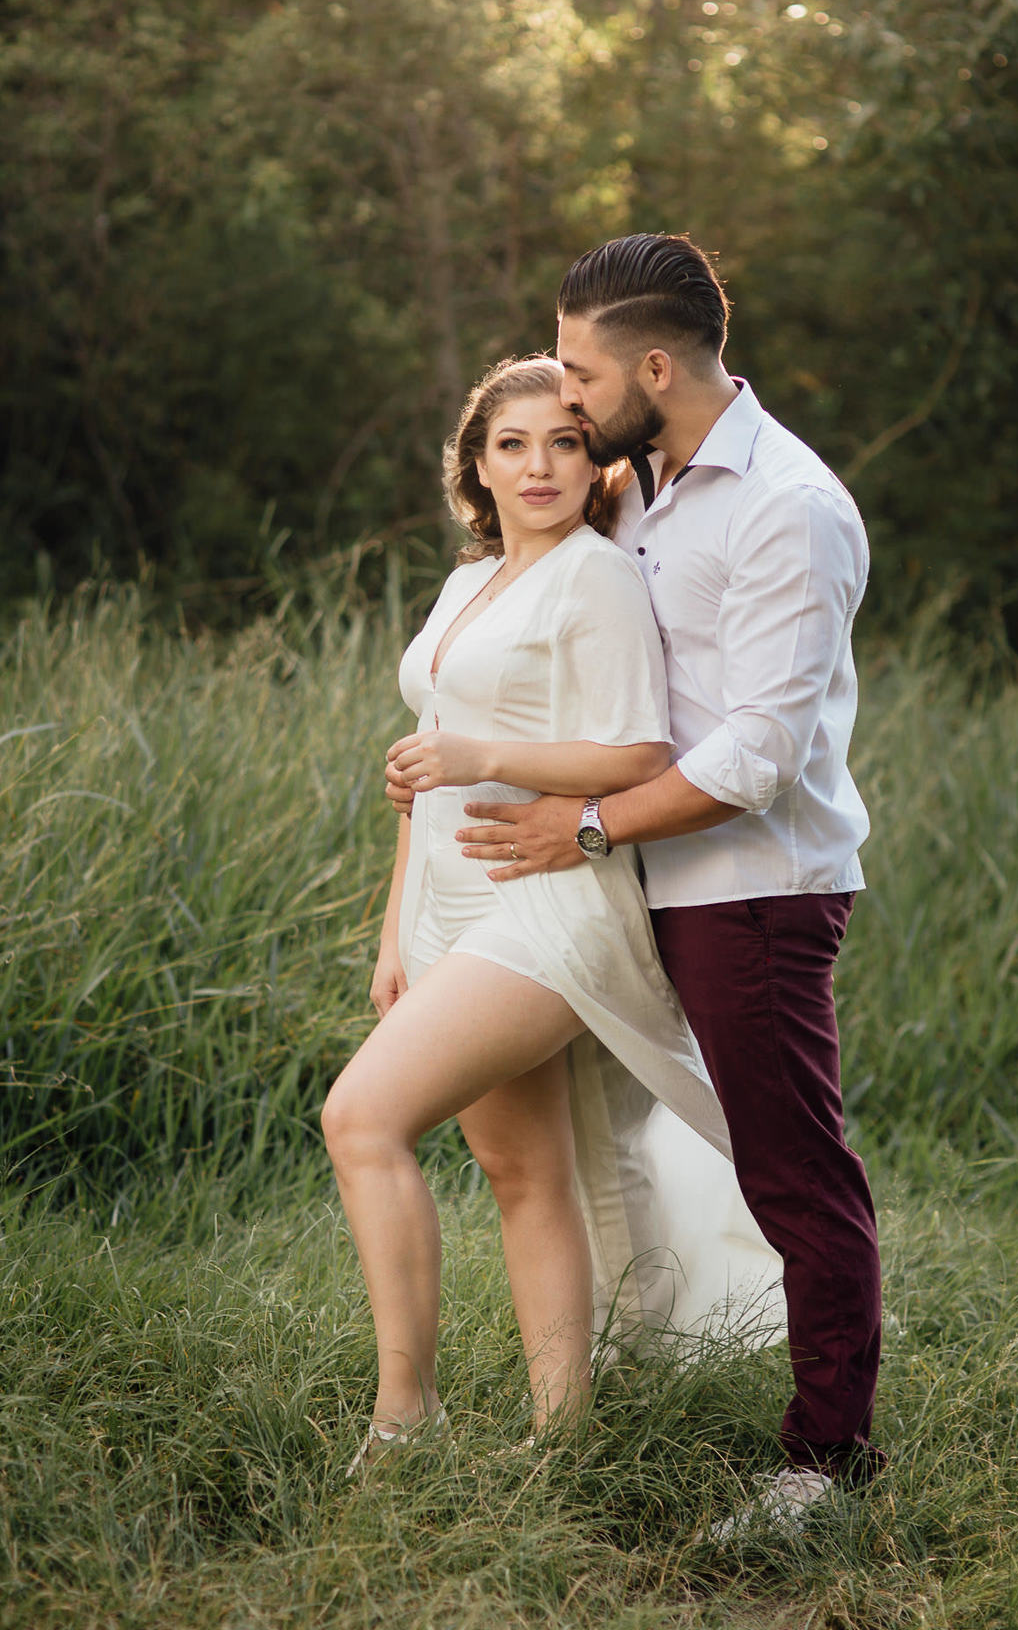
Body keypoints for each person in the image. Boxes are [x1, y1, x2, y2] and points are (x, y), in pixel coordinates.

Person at [453, 235, 885, 1525]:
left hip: (746, 887)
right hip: (648, 875)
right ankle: (640, 1366)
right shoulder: (642, 483)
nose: (565, 399)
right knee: (631, 1141)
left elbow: (756, 754)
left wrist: (580, 825)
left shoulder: (789, 508)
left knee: (794, 1168)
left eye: (579, 374)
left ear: (653, 365)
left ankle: (827, 1464)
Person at [325, 355, 783, 1480]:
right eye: (513, 445)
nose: (539, 465)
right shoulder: (464, 586)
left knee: (361, 1119)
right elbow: (424, 770)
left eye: (564, 442)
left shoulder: (596, 577)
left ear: (597, 461)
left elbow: (638, 752)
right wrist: (395, 932)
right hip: (445, 908)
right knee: (524, 1173)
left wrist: (487, 754)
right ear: (477, 466)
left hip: (546, 906)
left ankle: (404, 1419)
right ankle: (564, 1439)